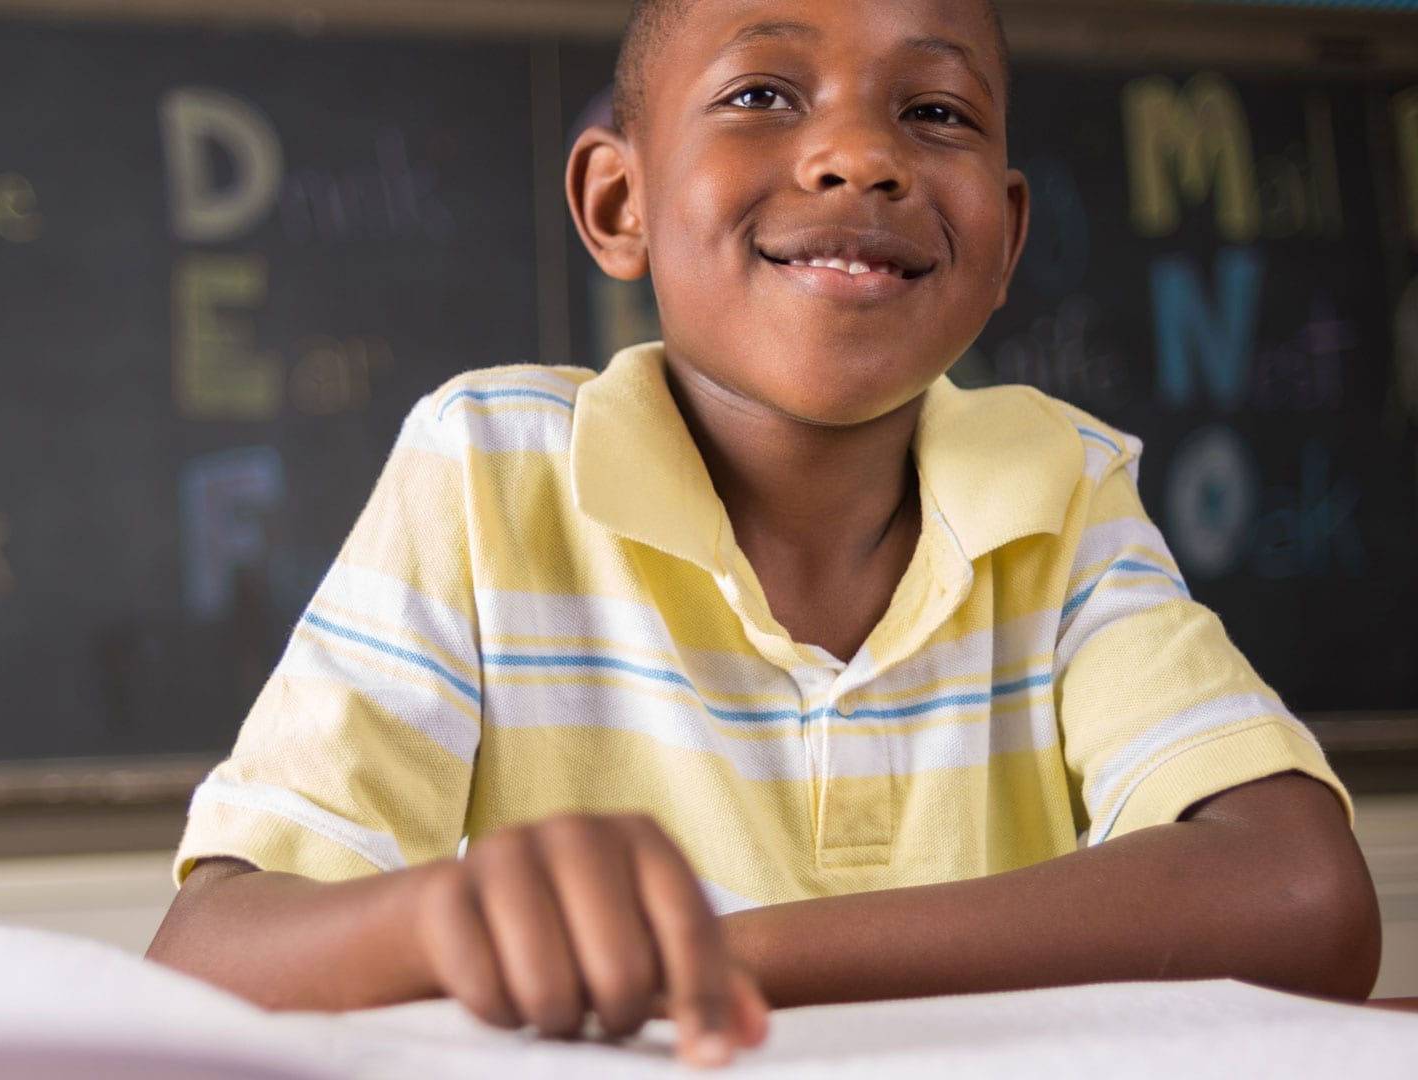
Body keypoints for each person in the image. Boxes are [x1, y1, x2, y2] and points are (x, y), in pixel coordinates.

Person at [146, 0, 1382, 1067]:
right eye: (761, 93)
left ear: (1007, 237)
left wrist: (714, 956)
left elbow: (1300, 893)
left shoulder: (1057, 491)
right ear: (618, 201)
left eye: (936, 113)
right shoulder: (490, 471)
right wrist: (433, 926)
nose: (858, 156)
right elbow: (204, 957)